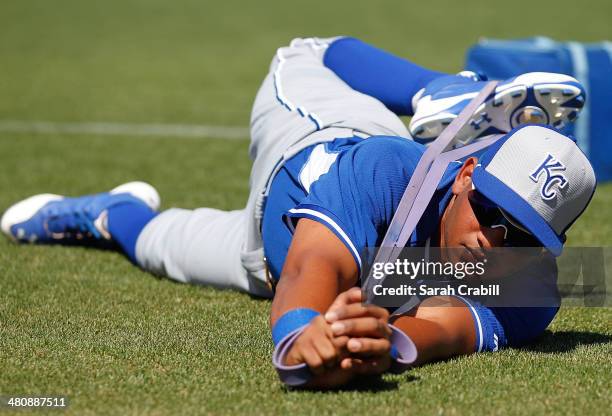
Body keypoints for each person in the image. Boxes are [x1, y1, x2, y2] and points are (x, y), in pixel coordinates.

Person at [1, 37, 595, 389]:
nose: (494, 241)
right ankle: (440, 89)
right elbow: (313, 268)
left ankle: (109, 212)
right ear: (466, 176)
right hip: (316, 137)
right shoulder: (387, 170)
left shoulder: (528, 289)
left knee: (160, 245)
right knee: (302, 54)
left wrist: (374, 346)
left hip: (267, 250)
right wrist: (298, 333)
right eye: (491, 212)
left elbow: (442, 329)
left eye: (521, 236)